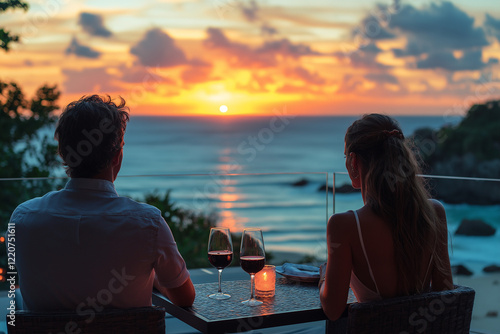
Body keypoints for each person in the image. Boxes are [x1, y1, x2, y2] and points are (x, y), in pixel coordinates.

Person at [10, 95, 195, 311]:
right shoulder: (149, 224)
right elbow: (184, 299)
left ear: (62, 152)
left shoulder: (22, 218)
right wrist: (147, 273)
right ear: (116, 156)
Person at [319, 114, 453, 320]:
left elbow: (333, 309)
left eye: (346, 156)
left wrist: (323, 279)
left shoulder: (344, 225)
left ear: (353, 161)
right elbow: (445, 292)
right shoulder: (434, 212)